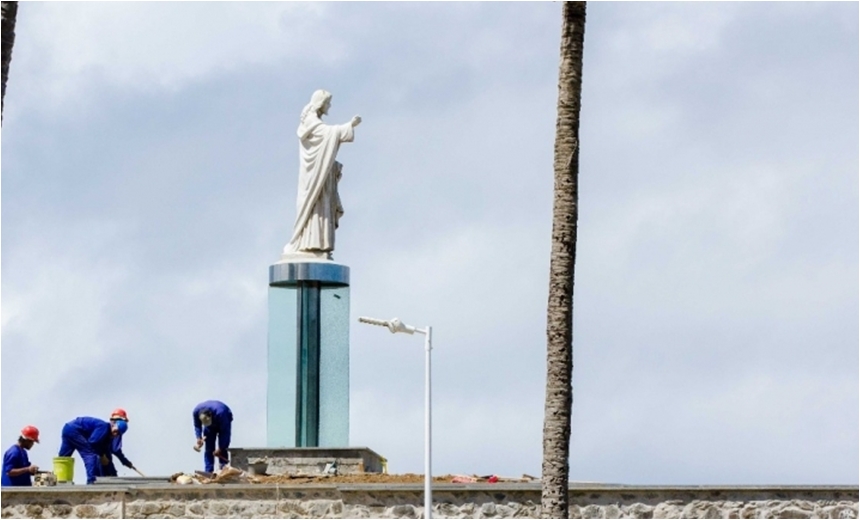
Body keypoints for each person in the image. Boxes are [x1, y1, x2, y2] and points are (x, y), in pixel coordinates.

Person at [282, 89, 362, 259]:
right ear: (320, 104)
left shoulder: (314, 122)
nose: (330, 106)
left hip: (321, 175)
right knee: (313, 207)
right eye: (328, 103)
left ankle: (317, 244)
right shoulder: (312, 124)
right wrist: (349, 126)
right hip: (313, 177)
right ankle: (306, 243)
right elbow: (329, 133)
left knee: (320, 206)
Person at [58, 415, 129, 484]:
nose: (115, 434)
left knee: (63, 458)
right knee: (90, 454)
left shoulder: (107, 435)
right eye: (115, 431)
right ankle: (91, 481)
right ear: (113, 425)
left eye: (118, 433)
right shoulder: (104, 427)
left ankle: (60, 478)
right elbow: (93, 442)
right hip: (75, 430)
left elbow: (109, 450)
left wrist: (124, 462)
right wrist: (102, 455)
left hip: (67, 428)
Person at [192, 400, 233, 473]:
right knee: (209, 449)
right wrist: (199, 437)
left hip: (223, 419)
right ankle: (209, 471)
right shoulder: (196, 412)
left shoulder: (221, 413)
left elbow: (225, 433)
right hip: (210, 427)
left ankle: (224, 470)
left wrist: (220, 448)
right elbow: (197, 425)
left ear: (210, 415)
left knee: (222, 450)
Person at [100, 409, 136, 477]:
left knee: (108, 475)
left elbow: (115, 449)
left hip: (101, 455)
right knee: (108, 477)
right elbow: (115, 449)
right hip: (102, 456)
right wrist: (125, 461)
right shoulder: (114, 430)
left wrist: (125, 461)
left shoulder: (108, 428)